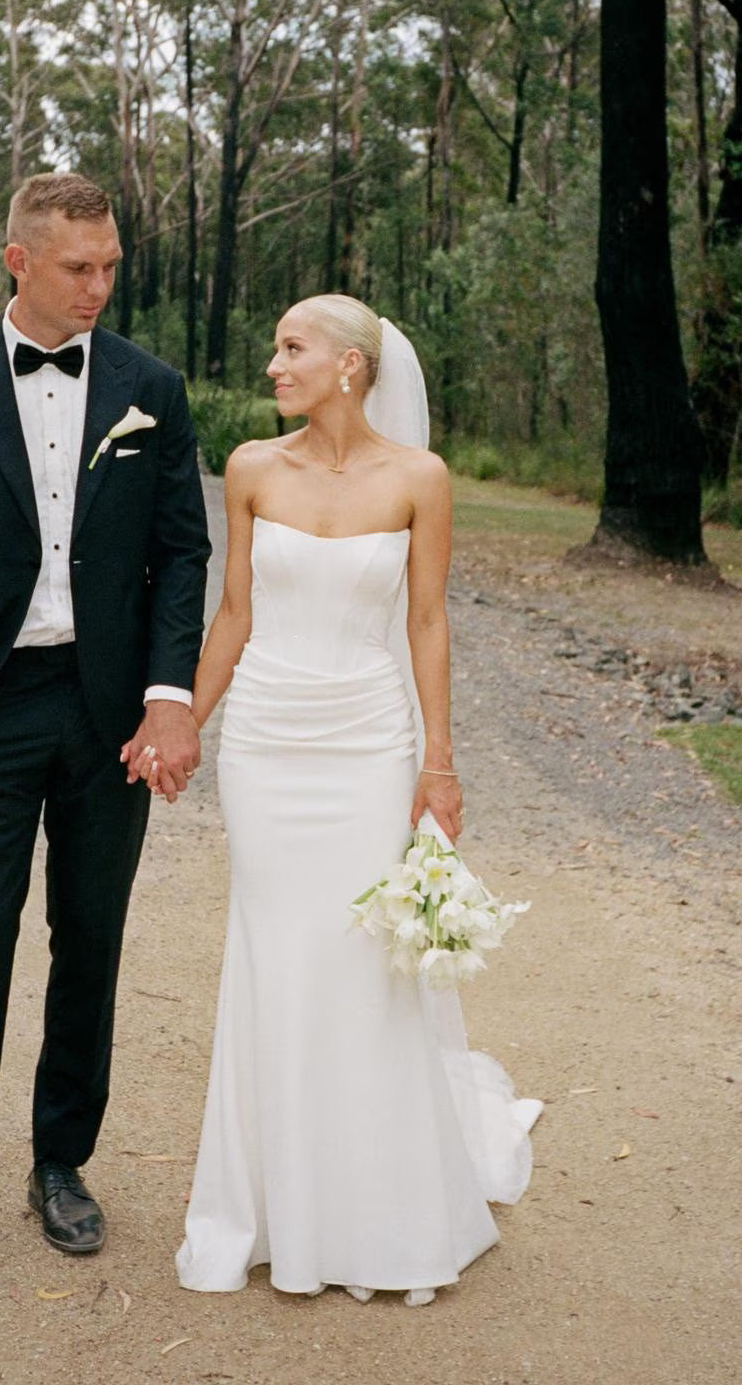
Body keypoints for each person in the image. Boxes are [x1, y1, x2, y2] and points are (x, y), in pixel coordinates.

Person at [0, 172, 210, 1301]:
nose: (99, 286)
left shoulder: (151, 388)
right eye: (78, 267)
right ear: (18, 260)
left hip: (110, 710)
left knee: (90, 937)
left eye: (110, 266)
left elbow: (182, 552)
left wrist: (169, 694)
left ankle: (60, 1164)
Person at [166, 294, 540, 1304]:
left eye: (292, 347)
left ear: (349, 366)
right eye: (275, 346)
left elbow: (427, 623)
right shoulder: (251, 467)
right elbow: (234, 613)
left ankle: (380, 1213)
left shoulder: (421, 479)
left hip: (369, 740)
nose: (273, 363)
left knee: (364, 961)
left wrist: (438, 762)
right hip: (266, 743)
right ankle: (268, 1207)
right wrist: (184, 722)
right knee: (275, 952)